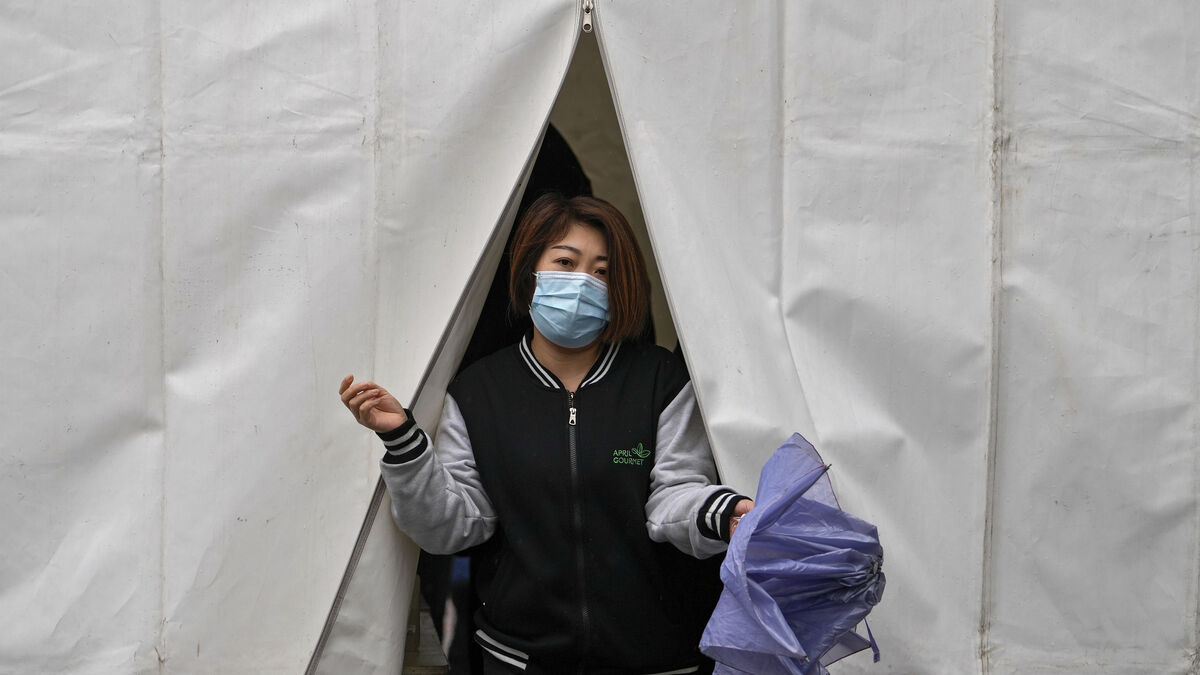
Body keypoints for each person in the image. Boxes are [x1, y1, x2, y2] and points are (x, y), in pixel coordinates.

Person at [340, 193, 753, 674]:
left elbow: (674, 495)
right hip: (518, 659)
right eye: (565, 262)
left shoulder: (661, 380)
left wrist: (722, 514)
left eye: (601, 271)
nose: (582, 282)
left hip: (657, 659)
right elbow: (452, 526)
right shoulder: (479, 391)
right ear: (529, 271)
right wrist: (403, 441)